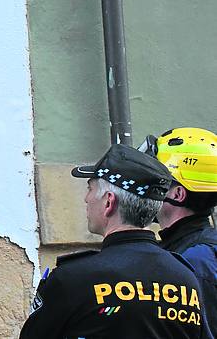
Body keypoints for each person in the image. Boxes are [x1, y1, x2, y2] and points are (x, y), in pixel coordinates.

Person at [20, 144, 212, 339]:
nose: (87, 199)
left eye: (90, 188)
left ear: (109, 202)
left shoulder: (72, 279)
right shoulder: (186, 278)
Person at [140, 127, 217, 337]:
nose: (146, 189)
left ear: (178, 193)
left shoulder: (197, 259)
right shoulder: (185, 248)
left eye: (155, 181)